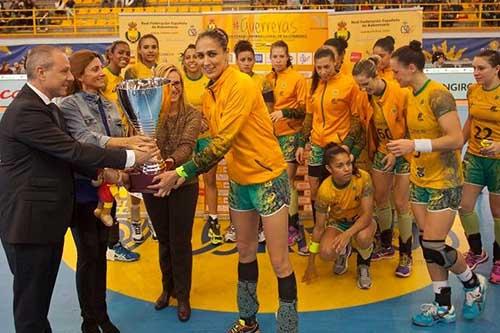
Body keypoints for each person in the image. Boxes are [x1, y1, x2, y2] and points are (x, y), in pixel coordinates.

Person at [148, 28, 298, 333]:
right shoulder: (208, 91)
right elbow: (210, 140)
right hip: (240, 181)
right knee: (244, 252)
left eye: (211, 54)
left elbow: (222, 144)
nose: (205, 61)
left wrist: (181, 172)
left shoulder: (241, 84)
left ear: (226, 54)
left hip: (268, 179)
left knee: (279, 260)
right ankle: (248, 320)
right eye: (200, 55)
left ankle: (288, 327)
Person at [0, 45, 153, 333]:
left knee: (38, 303)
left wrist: (109, 174)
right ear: (41, 72)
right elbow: (73, 150)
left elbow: (64, 158)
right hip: (28, 225)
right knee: (31, 311)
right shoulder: (27, 112)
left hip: (44, 222)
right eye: (64, 70)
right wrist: (130, 158)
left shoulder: (47, 109)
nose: (70, 76)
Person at [387, 40, 487, 327]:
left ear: (411, 67)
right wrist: (400, 153)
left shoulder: (438, 95)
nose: (394, 77)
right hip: (420, 178)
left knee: (432, 244)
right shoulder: (410, 95)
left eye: (396, 72)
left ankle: (472, 284)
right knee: (430, 244)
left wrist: (414, 143)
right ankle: (443, 305)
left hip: (445, 181)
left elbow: (456, 139)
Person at [60, 49, 156, 333]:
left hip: (107, 190)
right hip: (83, 191)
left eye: (101, 67)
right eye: (94, 69)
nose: (101, 72)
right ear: (79, 76)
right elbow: (84, 139)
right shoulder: (69, 106)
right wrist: (126, 142)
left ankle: (101, 315)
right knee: (88, 257)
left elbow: (118, 144)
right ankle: (89, 321)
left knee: (100, 255)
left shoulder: (111, 105)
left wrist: (134, 160)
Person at [142, 63, 201, 321]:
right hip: (154, 184)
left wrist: (168, 167)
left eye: (177, 83)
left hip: (182, 184)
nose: (173, 88)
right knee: (163, 240)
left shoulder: (193, 113)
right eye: (167, 84)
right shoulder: (148, 115)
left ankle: (183, 295)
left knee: (180, 241)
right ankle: (167, 289)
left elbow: (187, 147)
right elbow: (143, 144)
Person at [296, 46, 364, 269]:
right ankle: (323, 233)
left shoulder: (348, 84)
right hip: (316, 145)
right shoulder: (313, 84)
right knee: (316, 190)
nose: (323, 71)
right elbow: (309, 116)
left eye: (327, 67)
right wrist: (300, 143)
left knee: (343, 190)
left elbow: (356, 119)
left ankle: (348, 238)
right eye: (319, 67)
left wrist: (348, 147)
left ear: (336, 63)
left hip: (338, 147)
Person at [352, 55, 413, 277]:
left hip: (404, 153)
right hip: (380, 152)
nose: (363, 88)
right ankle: (386, 244)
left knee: (401, 203)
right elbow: (362, 128)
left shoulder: (400, 93)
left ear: (376, 75)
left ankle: (406, 254)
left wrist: (397, 153)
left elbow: (412, 128)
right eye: (359, 85)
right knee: (380, 199)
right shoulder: (364, 98)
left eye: (366, 84)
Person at [302, 143, 376, 289]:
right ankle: (343, 251)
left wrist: (347, 235)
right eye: (340, 166)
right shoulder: (324, 190)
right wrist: (311, 264)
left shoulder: (363, 177)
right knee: (326, 252)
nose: (347, 168)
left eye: (348, 163)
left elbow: (367, 215)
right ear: (329, 169)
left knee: (362, 238)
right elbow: (318, 228)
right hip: (338, 223)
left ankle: (363, 265)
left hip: (362, 221)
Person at [459, 49, 500, 284]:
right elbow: (470, 121)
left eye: (481, 68)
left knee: (497, 214)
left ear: (496, 69)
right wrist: (458, 145)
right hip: (474, 156)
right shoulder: (473, 90)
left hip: (497, 162)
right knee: (464, 206)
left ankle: (499, 260)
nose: (476, 73)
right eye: (474, 68)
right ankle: (476, 251)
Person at [224, 39, 270, 243]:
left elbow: (268, 110)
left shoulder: (263, 81)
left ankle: (259, 228)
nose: (247, 63)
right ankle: (235, 226)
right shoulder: (230, 82)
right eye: (243, 59)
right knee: (236, 185)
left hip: (256, 142)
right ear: (236, 60)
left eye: (250, 59)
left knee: (257, 185)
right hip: (235, 141)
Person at [266, 40, 308, 255]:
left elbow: (303, 111)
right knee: (274, 183)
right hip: (270, 137)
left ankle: (293, 226)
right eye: (274, 56)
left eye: (282, 56)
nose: (278, 60)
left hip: (290, 134)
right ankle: (279, 226)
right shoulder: (267, 79)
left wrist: (284, 113)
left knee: (287, 182)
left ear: (288, 57)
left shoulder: (298, 79)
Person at [101, 40, 142, 261]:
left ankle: (110, 243)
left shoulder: (123, 79)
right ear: (111, 54)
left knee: (113, 195)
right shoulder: (104, 77)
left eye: (127, 53)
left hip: (121, 141)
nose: (124, 56)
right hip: (108, 143)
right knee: (108, 196)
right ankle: (111, 245)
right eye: (120, 53)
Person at [181, 43, 223, 245]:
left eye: (195, 57)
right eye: (188, 57)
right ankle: (184, 223)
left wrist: (203, 120)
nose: (192, 61)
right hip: (186, 139)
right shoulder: (178, 83)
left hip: (207, 137)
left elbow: (214, 109)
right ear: (183, 61)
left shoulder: (210, 82)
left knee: (210, 181)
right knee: (186, 182)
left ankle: (213, 221)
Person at [124, 34, 161, 243]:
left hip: (155, 134)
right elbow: (131, 104)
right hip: (138, 133)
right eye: (146, 47)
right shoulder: (133, 71)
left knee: (154, 178)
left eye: (153, 47)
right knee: (137, 181)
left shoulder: (160, 71)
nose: (150, 50)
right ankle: (136, 221)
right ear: (139, 51)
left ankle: (153, 220)